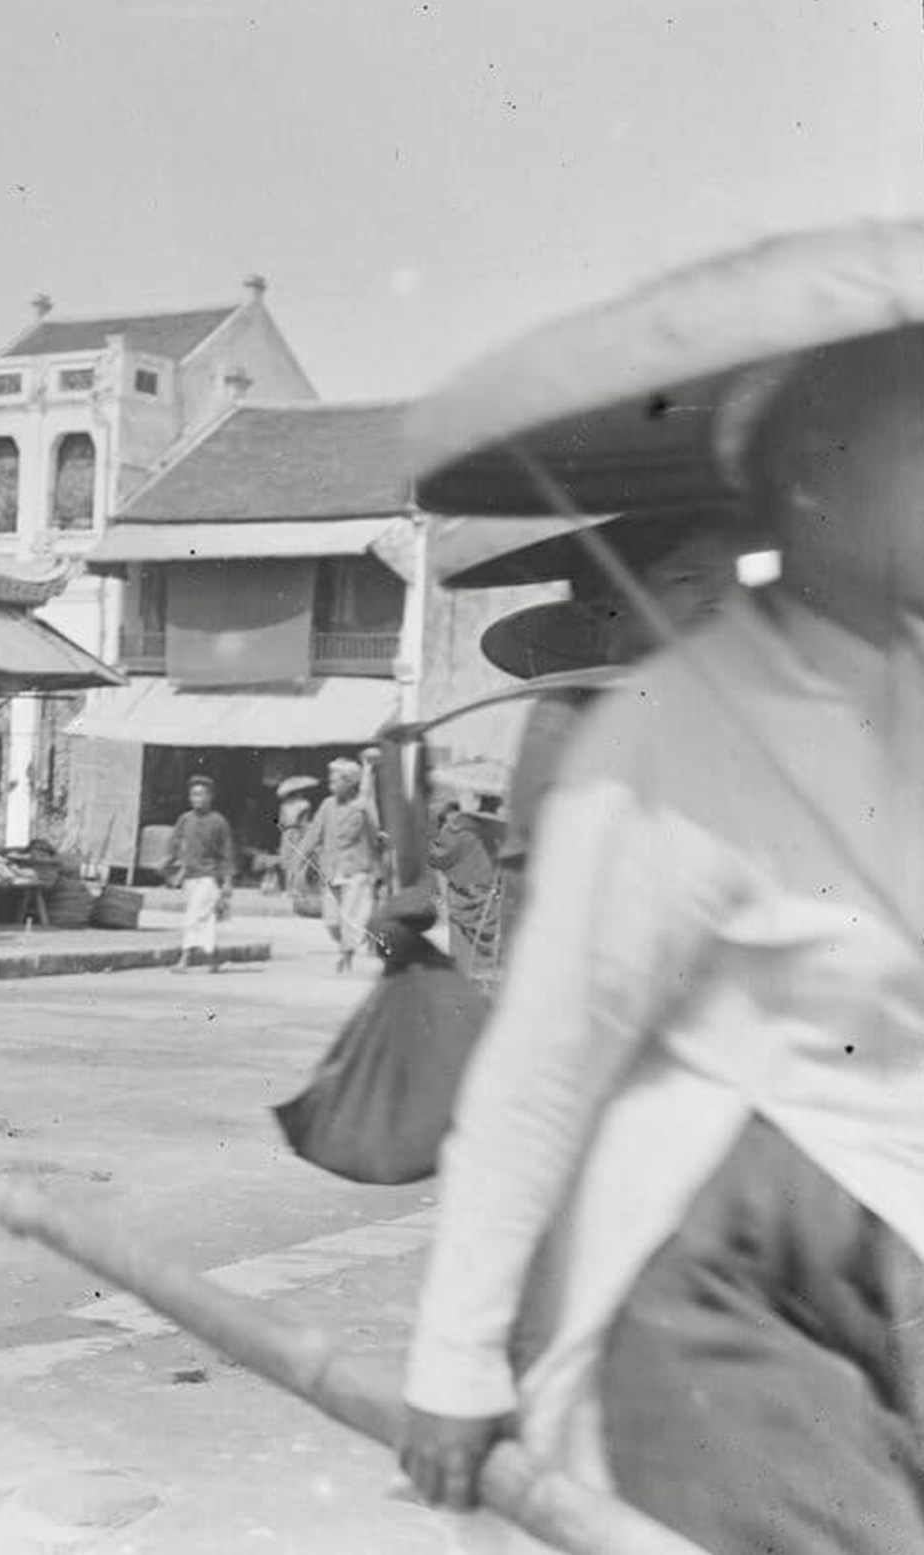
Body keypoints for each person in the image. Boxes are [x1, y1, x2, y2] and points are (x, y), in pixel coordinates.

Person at [399, 323, 924, 1553]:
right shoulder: (651, 736)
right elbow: (544, 1053)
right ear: (810, 488)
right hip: (728, 1258)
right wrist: (454, 1351)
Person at [482, 510, 749, 953]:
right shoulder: (570, 720)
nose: (719, 600)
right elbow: (542, 904)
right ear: (611, 605)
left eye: (730, 579)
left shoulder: (720, 711)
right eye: (688, 578)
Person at [298, 757, 380, 973]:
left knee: (350, 918)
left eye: (336, 781)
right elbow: (313, 834)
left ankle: (347, 953)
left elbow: (375, 834)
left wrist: (368, 813)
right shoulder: (327, 805)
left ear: (350, 783)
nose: (331, 784)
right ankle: (350, 942)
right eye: (331, 780)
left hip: (357, 871)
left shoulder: (362, 806)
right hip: (332, 871)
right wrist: (299, 860)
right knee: (332, 922)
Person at [425, 791, 500, 982]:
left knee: (465, 956)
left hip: (463, 898)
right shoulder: (502, 828)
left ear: (476, 801)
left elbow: (436, 857)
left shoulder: (458, 829)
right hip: (492, 898)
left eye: (465, 794)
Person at [162, 775, 235, 972]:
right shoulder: (185, 819)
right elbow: (174, 842)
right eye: (193, 794)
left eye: (201, 794)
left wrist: (228, 881)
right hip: (190, 877)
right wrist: (167, 862)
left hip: (209, 877)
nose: (197, 799)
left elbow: (227, 854)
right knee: (205, 918)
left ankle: (184, 960)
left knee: (194, 917)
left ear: (210, 797)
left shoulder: (219, 822)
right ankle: (213, 958)